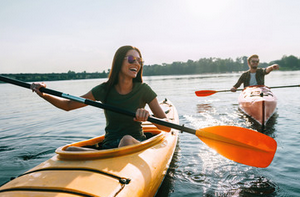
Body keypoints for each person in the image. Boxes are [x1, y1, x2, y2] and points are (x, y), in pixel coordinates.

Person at [31, 45, 170, 150]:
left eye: (140, 61)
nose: (137, 64)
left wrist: (149, 116)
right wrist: (43, 93)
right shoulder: (104, 90)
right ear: (118, 62)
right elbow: (68, 105)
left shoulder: (143, 89)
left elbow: (167, 126)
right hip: (109, 145)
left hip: (134, 143)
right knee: (69, 150)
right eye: (131, 59)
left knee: (126, 140)